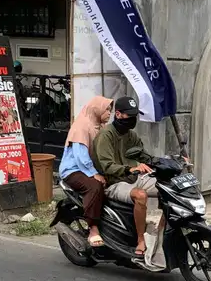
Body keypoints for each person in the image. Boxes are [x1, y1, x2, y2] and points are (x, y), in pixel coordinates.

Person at [92, 96, 156, 260]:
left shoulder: (131, 135)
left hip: (133, 177)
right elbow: (107, 166)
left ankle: (161, 233)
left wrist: (169, 162)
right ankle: (140, 240)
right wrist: (130, 168)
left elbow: (144, 156)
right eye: (130, 115)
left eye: (135, 115)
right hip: (114, 182)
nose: (133, 119)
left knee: (166, 188)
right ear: (118, 114)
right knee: (140, 195)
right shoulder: (106, 135)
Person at [58, 96, 113, 247]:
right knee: (94, 186)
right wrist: (93, 173)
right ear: (97, 109)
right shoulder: (81, 126)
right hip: (73, 170)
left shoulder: (99, 126)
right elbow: (80, 155)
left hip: (91, 168)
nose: (109, 113)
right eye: (106, 109)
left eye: (110, 110)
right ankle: (93, 228)